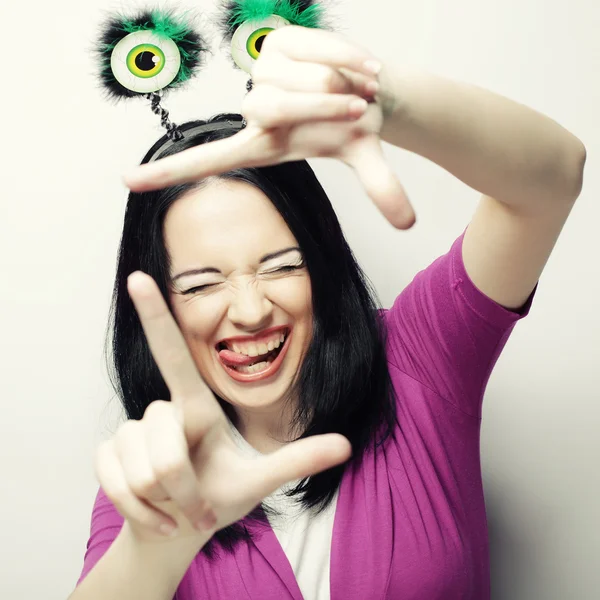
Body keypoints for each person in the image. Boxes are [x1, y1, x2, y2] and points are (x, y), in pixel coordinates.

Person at [70, 26, 586, 600]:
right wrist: (158, 547)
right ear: (160, 304)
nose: (249, 310)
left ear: (321, 264)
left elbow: (553, 177)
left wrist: (383, 102)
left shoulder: (418, 360)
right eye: (201, 283)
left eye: (282, 266)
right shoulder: (155, 479)